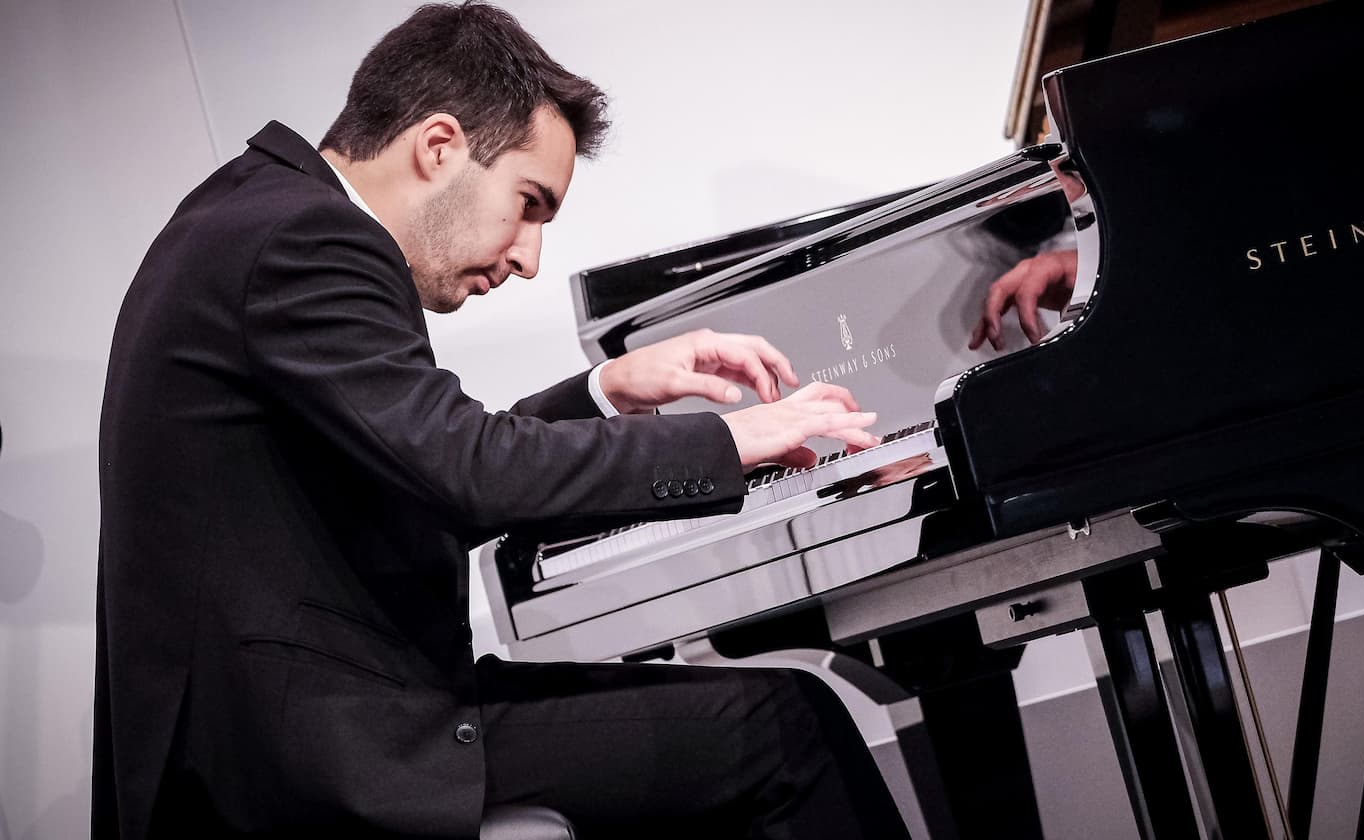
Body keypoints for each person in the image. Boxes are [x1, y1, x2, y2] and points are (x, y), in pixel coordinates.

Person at [93, 3, 912, 837]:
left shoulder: (255, 214)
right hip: (309, 757)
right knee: (785, 730)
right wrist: (729, 441)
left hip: (320, 722)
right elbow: (467, 470)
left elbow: (421, 456)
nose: (529, 258)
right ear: (439, 146)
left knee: (751, 728)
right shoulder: (306, 236)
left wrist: (605, 390)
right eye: (528, 204)